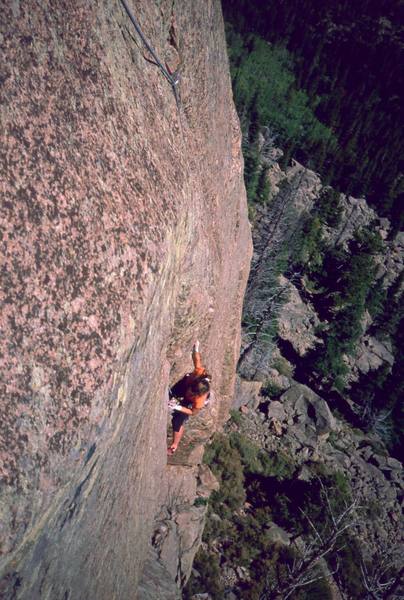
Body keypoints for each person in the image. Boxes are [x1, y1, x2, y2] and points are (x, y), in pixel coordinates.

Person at [167, 341, 211, 455]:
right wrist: (196, 348)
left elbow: (192, 412)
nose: (191, 392)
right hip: (184, 385)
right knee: (170, 394)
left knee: (177, 421)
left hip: (190, 403)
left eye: (193, 392)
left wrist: (178, 407)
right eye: (192, 390)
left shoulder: (199, 400)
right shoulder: (198, 373)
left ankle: (174, 445)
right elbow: (196, 360)